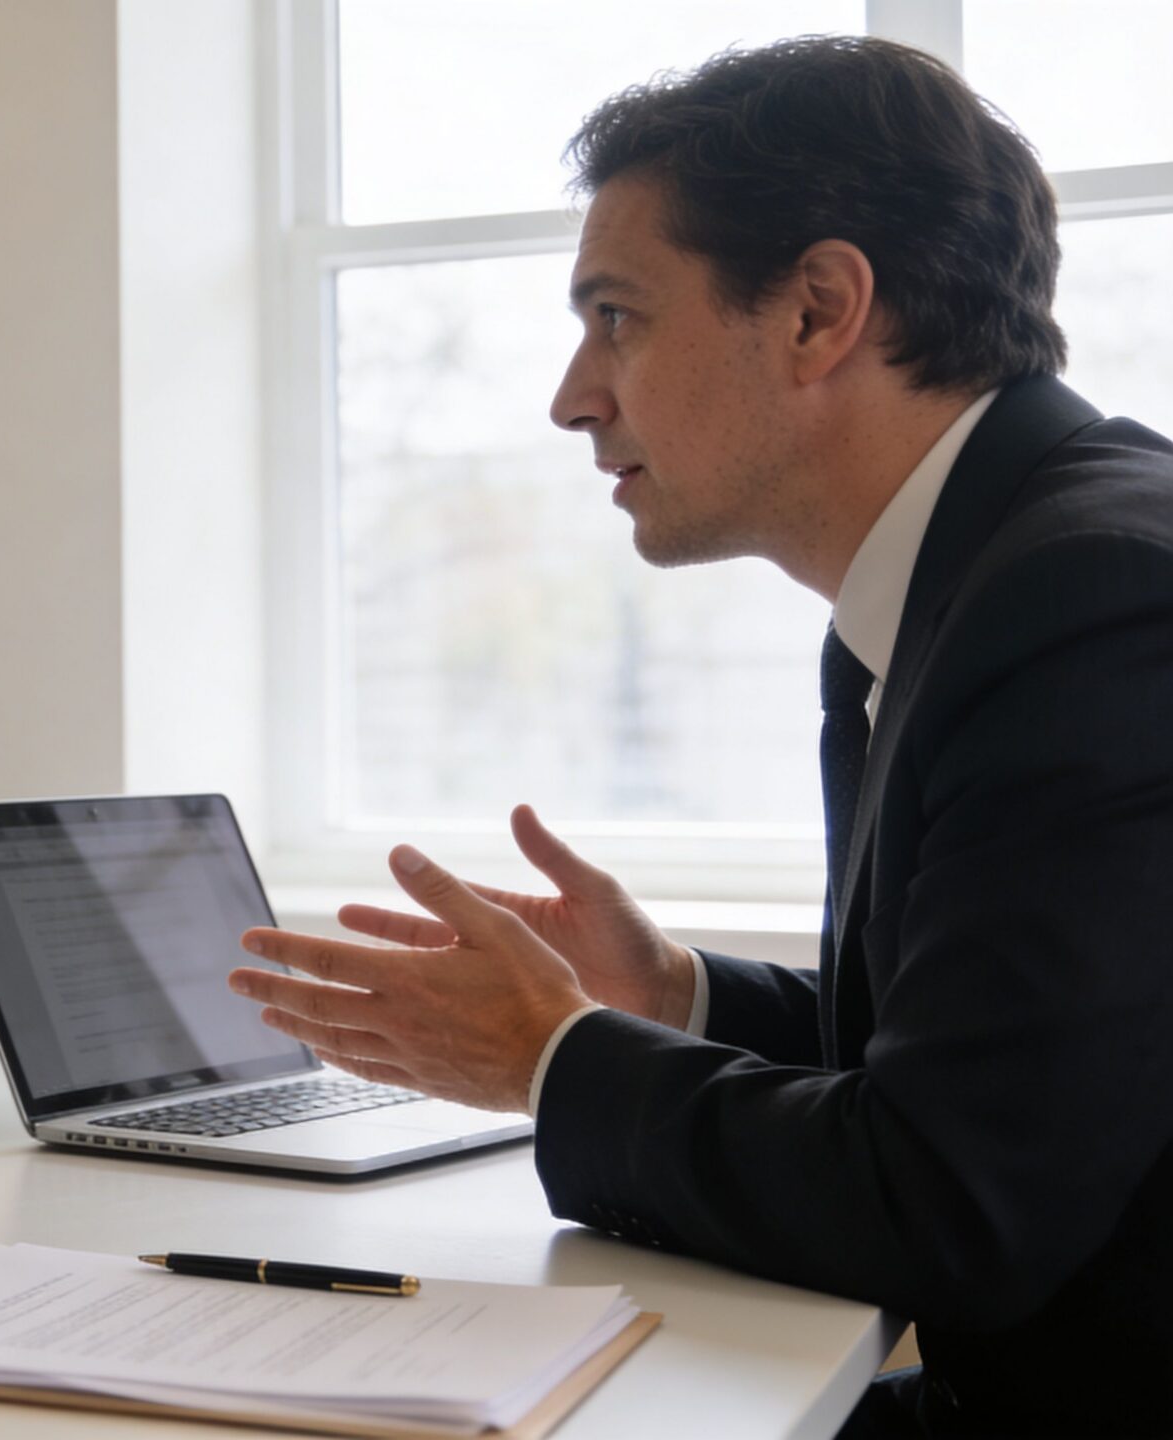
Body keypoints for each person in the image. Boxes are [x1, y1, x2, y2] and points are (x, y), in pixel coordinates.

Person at [227, 38, 1171, 1438]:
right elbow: (989, 1065)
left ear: (817, 311)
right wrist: (671, 994)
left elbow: (951, 1201)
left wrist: (551, 1060)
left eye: (617, 316)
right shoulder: (992, 572)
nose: (572, 394)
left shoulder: (1091, 604)